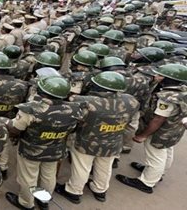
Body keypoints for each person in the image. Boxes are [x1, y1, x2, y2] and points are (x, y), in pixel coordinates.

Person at [55, 72, 139, 204]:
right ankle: (100, 190)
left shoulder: (86, 101)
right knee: (105, 166)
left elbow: (72, 107)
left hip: (88, 141)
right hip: (114, 140)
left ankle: (73, 191)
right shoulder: (131, 100)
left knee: (82, 167)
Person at [5, 76, 82, 210]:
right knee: (48, 175)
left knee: (28, 177)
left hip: (31, 150)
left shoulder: (30, 109)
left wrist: (7, 123)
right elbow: (74, 128)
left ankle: (26, 203)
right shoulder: (75, 109)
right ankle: (44, 200)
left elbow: (15, 129)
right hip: (56, 149)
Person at [116, 64, 187, 194]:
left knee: (156, 155)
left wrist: (143, 135)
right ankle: (157, 173)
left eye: (160, 75)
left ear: (168, 79)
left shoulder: (167, 98)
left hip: (161, 132)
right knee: (166, 151)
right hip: (175, 129)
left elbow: (158, 119)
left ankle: (146, 182)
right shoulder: (182, 90)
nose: (156, 76)